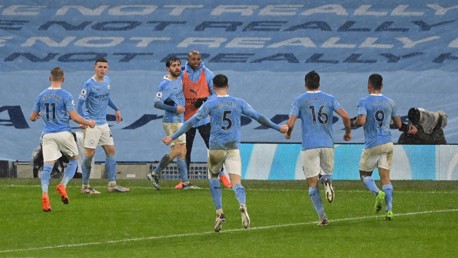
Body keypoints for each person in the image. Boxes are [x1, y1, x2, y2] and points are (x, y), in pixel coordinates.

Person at [163, 74, 288, 232]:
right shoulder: (238, 102)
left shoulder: (210, 103)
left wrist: (172, 136)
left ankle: (219, 212)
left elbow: (190, 122)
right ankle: (242, 204)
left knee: (214, 177)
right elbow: (258, 117)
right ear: (228, 85)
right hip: (233, 146)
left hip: (216, 147)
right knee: (236, 182)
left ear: (213, 87)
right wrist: (279, 128)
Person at [285, 70, 352, 226]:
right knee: (325, 174)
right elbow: (346, 116)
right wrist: (348, 132)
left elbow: (291, 122)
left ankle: (322, 217)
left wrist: (288, 133)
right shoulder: (330, 98)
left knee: (312, 184)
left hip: (309, 146)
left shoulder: (299, 100)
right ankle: (327, 180)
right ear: (319, 83)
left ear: (305, 83)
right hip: (328, 144)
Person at [29, 67, 96, 212]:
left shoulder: (41, 95)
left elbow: (32, 117)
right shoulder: (66, 95)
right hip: (63, 133)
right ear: (63, 79)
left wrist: (39, 115)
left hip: (47, 135)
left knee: (47, 167)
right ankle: (62, 185)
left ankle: (45, 195)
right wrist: (88, 122)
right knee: (73, 160)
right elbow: (73, 116)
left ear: (50, 78)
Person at [351, 74, 402, 220]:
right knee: (385, 177)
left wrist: (353, 123)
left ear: (369, 85)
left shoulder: (363, 101)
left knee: (364, 175)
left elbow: (362, 121)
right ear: (382, 86)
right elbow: (398, 124)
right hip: (388, 143)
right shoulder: (390, 102)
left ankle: (377, 193)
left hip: (373, 144)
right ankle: (389, 210)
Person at [179, 50, 231, 189]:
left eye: (198, 59)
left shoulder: (208, 74)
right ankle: (184, 180)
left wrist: (204, 100)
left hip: (204, 119)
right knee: (185, 151)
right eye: (194, 59)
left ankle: (223, 177)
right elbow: (177, 92)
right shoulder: (182, 74)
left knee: (213, 148)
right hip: (187, 119)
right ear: (188, 60)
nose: (196, 61)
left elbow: (216, 94)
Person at [77, 57, 129, 193]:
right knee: (89, 155)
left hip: (103, 124)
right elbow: (79, 105)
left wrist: (116, 109)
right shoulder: (88, 84)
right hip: (92, 124)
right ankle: (85, 186)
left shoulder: (107, 81)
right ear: (95, 67)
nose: (102, 70)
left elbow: (106, 97)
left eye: (105, 67)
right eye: (100, 67)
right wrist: (84, 121)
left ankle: (112, 184)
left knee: (111, 151)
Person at [147, 56, 198, 190]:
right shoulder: (165, 84)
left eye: (178, 65)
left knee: (182, 151)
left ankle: (185, 183)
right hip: (171, 120)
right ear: (168, 68)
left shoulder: (179, 77)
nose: (177, 68)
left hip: (179, 120)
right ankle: (155, 173)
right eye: (174, 65)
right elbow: (156, 103)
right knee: (177, 149)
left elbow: (190, 66)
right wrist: (174, 108)